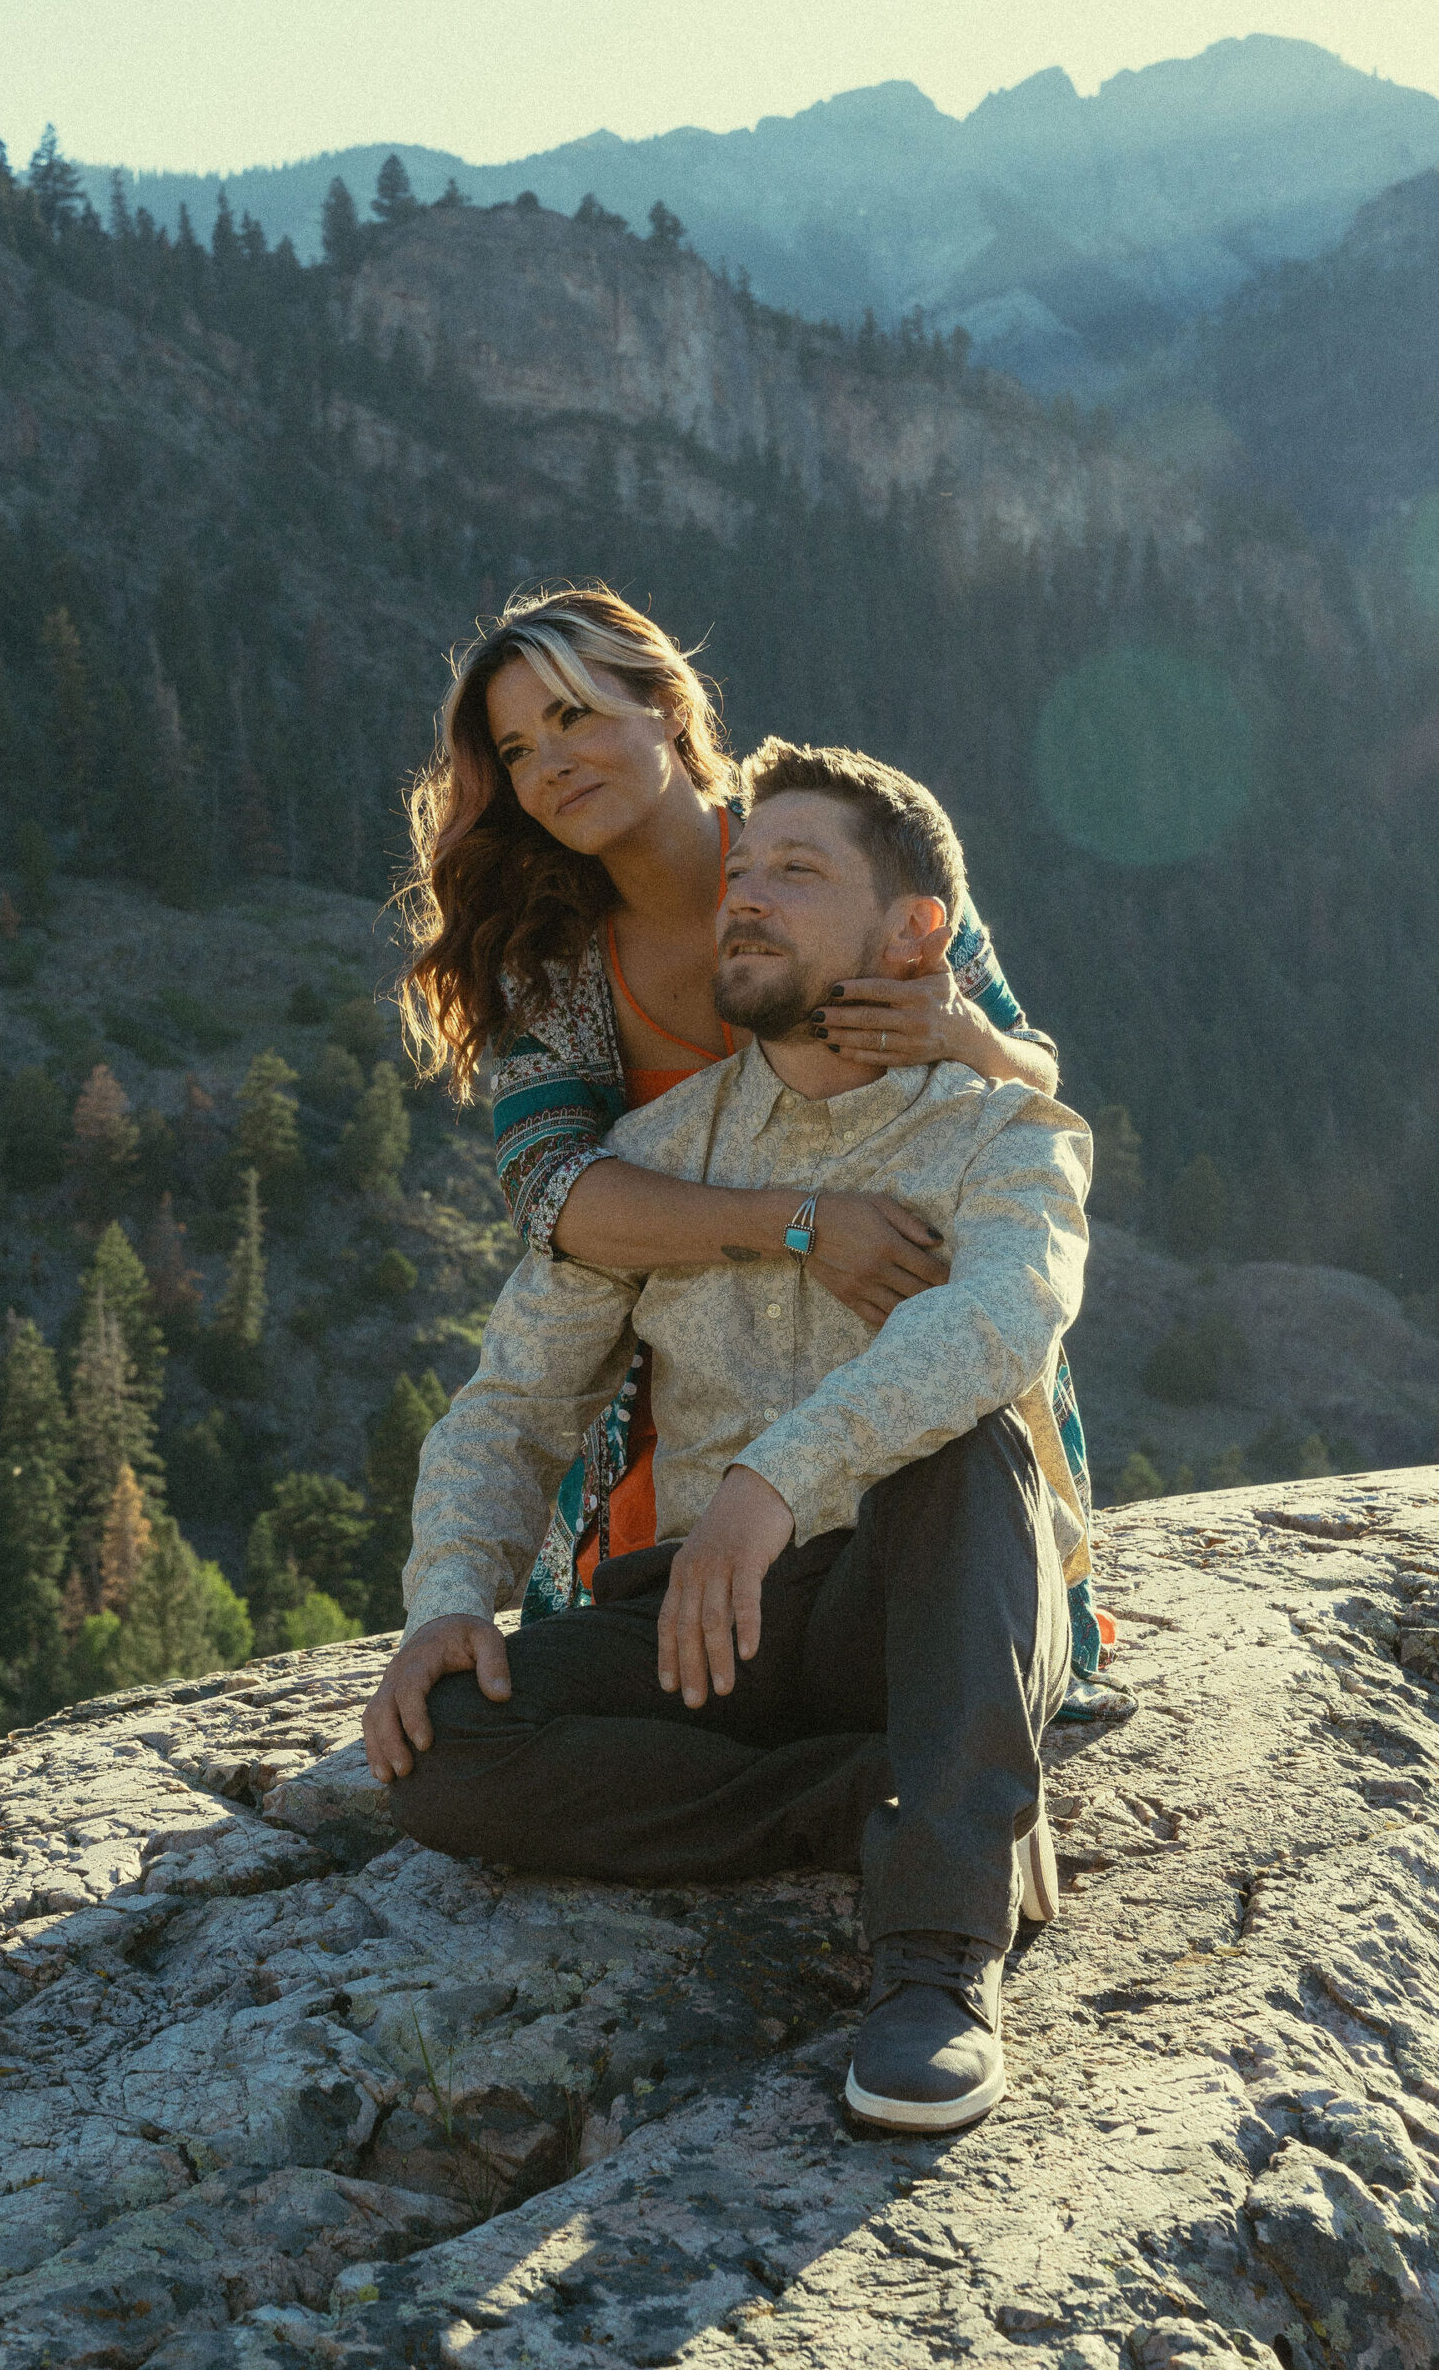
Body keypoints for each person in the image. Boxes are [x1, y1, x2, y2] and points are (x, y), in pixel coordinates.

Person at [366, 740, 1091, 2131]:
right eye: (737, 872)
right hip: (712, 1622)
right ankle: (860, 1803)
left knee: (965, 1446)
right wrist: (448, 1593)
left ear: (911, 932)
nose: (741, 898)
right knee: (439, 1742)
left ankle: (936, 1959)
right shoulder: (664, 1151)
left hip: (918, 1594)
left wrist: (777, 1477)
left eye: (793, 873)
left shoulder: (1005, 1129)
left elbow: (1000, 1325)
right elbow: (513, 1399)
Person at [398, 585, 1105, 1685]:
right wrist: (802, 1227)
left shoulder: (831, 837)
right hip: (695, 1374)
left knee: (949, 1526)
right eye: (519, 749)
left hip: (902, 1333)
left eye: (575, 717)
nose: (550, 765)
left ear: (668, 708)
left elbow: (1038, 1090)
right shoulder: (554, 958)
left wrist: (964, 1031)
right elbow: (553, 1199)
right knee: (688, 1658)